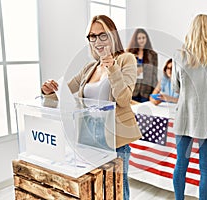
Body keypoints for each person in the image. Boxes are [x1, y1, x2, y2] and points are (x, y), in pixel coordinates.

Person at [41, 15, 142, 200]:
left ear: (112, 36)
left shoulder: (126, 60)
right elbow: (64, 91)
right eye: (92, 36)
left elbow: (124, 99)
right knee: (95, 191)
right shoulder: (89, 68)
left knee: (117, 192)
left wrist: (112, 68)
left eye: (102, 35)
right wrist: (48, 90)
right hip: (88, 140)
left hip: (115, 142)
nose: (97, 41)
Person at [171, 14, 207, 200]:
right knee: (206, 168)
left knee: (181, 164)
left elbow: (176, 88)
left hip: (184, 116)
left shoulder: (178, 56)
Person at [127, 28, 158, 103]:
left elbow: (154, 75)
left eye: (143, 38)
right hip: (132, 91)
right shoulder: (129, 54)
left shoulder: (153, 55)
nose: (141, 40)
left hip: (146, 92)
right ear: (135, 40)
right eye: (139, 38)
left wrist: (154, 92)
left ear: (146, 39)